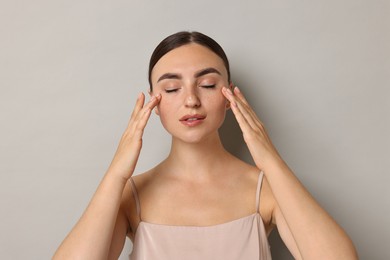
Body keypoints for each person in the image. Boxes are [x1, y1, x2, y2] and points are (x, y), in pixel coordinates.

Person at [53, 31, 358, 259]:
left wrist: (272, 161)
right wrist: (115, 175)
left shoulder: (265, 189)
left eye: (208, 84)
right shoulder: (131, 195)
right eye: (172, 88)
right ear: (154, 104)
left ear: (229, 95)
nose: (191, 100)